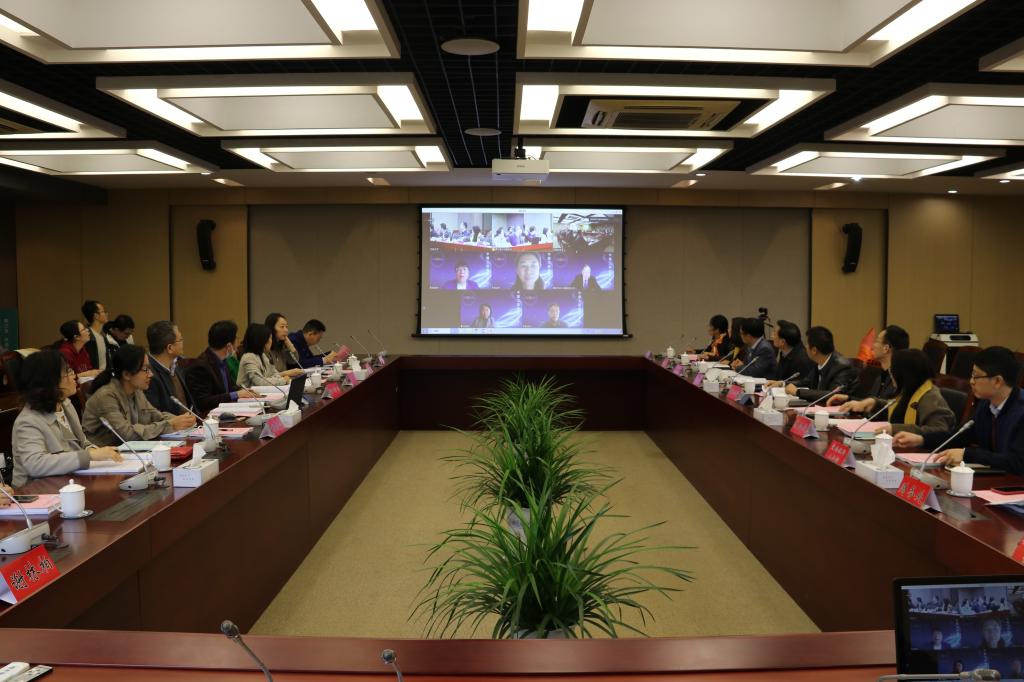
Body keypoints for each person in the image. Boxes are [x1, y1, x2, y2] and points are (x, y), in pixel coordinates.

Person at [896, 347, 1024, 473]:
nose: (971, 381)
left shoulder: (1020, 411)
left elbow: (1017, 462)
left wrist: (966, 454)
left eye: (976, 376)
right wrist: (921, 439)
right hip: (995, 479)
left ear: (997, 381)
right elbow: (960, 436)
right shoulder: (986, 404)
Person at [11, 350, 122, 487]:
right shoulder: (28, 421)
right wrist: (90, 456)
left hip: (69, 482)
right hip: (35, 491)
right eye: (68, 372)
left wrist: (100, 453)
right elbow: (35, 464)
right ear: (51, 381)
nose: (74, 376)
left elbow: (82, 443)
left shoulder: (65, 405)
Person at [82, 344, 196, 447]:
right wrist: (170, 424)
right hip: (102, 454)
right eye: (145, 369)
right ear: (127, 374)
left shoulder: (136, 390)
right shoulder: (106, 396)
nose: (151, 374)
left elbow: (155, 416)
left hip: (129, 451)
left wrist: (182, 420)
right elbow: (127, 435)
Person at [841, 350, 955, 435]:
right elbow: (898, 413)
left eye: (893, 370)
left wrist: (895, 429)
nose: (891, 375)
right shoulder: (908, 390)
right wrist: (874, 404)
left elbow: (940, 431)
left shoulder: (930, 397)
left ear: (904, 374)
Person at [185, 320, 261, 414]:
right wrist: (236, 394)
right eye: (236, 339)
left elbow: (229, 388)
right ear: (229, 346)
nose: (238, 343)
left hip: (227, 411)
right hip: (211, 416)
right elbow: (204, 402)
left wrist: (243, 391)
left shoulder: (222, 360)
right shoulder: (200, 367)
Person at [829, 325, 909, 406]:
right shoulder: (880, 375)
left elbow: (887, 406)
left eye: (876, 341)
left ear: (886, 348)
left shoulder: (899, 379)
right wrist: (847, 398)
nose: (872, 346)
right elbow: (869, 402)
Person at [785, 326, 860, 401]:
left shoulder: (842, 367)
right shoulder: (819, 360)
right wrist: (783, 383)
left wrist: (797, 392)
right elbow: (806, 382)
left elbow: (832, 395)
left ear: (814, 350)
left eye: (807, 344)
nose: (805, 347)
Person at [144, 320, 194, 415]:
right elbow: (156, 416)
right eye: (180, 339)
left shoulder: (175, 365)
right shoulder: (148, 375)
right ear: (170, 348)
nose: (183, 342)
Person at [237, 323, 305, 388]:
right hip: (247, 395)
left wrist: (276, 379)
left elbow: (275, 374)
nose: (271, 341)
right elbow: (260, 382)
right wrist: (283, 380)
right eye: (270, 338)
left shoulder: (262, 355)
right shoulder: (249, 357)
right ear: (262, 340)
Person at [81, 299, 110, 372]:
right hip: (93, 376)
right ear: (96, 316)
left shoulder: (103, 336)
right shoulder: (87, 337)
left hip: (104, 376)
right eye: (103, 311)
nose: (106, 314)